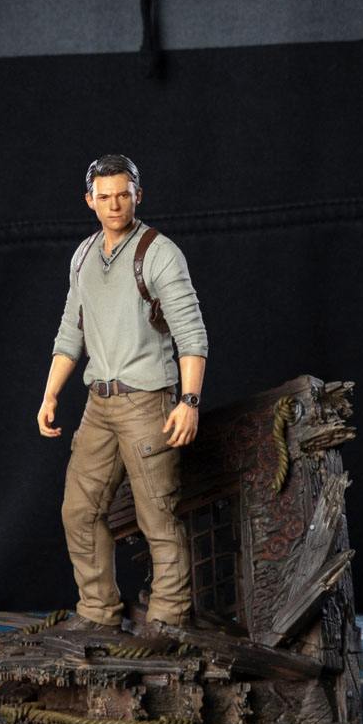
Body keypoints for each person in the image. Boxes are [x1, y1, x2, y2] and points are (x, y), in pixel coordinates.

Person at [37, 154, 208, 632]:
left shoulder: (159, 253)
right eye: (104, 196)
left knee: (158, 515)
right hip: (99, 405)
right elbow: (71, 331)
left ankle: (168, 621)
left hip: (147, 401)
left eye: (123, 195)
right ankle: (97, 612)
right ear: (89, 200)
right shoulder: (84, 255)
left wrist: (189, 401)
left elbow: (191, 334)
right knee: (79, 510)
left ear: (138, 196)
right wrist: (50, 395)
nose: (114, 205)